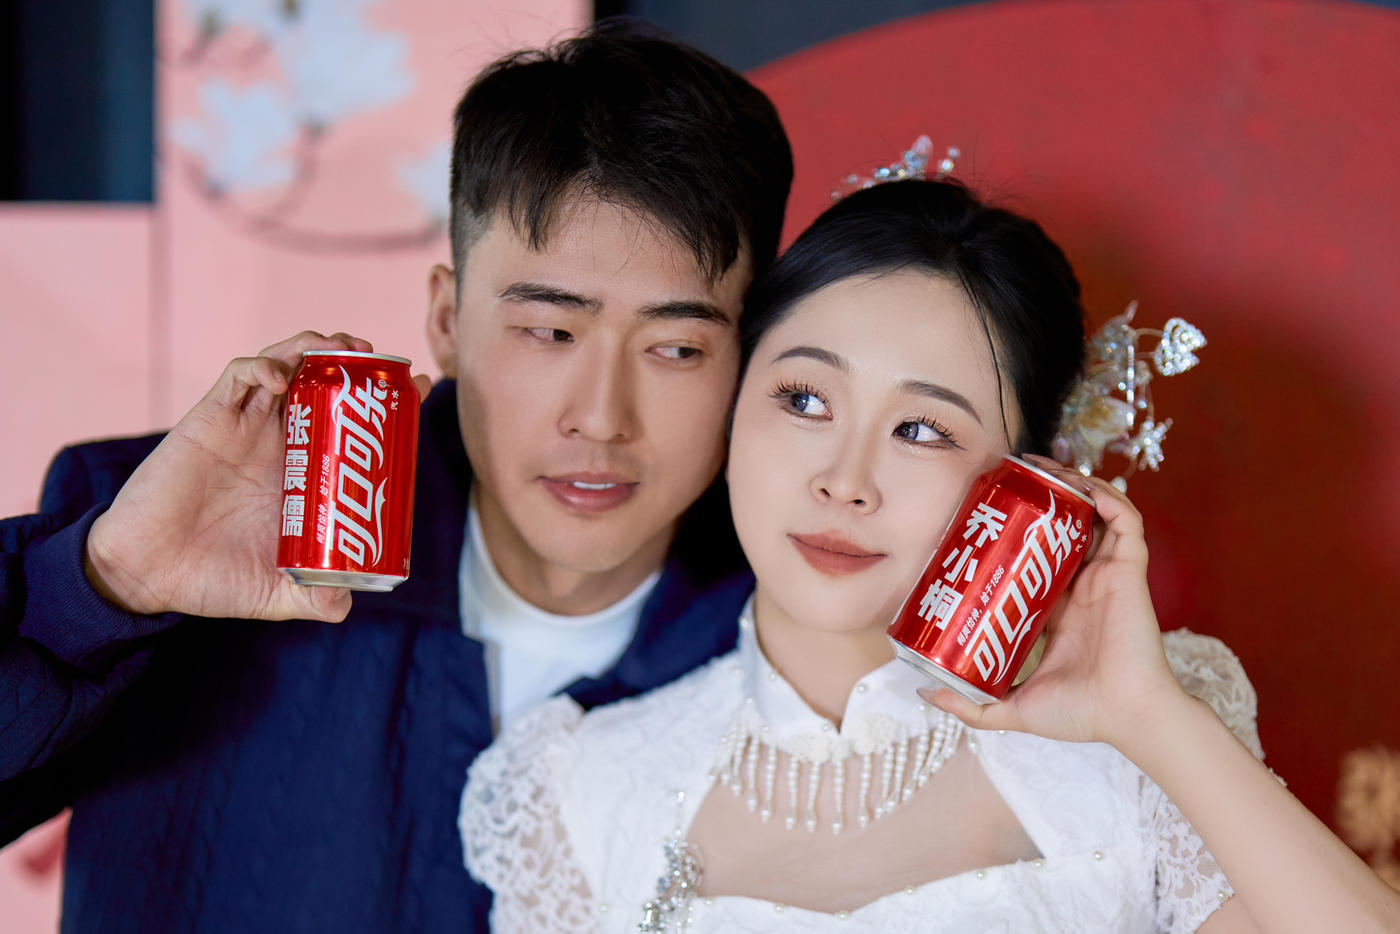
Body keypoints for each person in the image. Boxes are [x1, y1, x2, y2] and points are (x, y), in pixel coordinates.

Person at [0, 20, 791, 933]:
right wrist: (107, 588)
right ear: (447, 322)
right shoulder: (175, 538)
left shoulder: (797, 641)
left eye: (678, 348)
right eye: (550, 332)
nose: (602, 417)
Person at [461, 173, 1400, 932]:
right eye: (804, 400)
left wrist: (1152, 719)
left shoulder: (1133, 745)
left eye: (921, 429)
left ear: (1026, 478)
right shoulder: (580, 796)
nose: (845, 481)